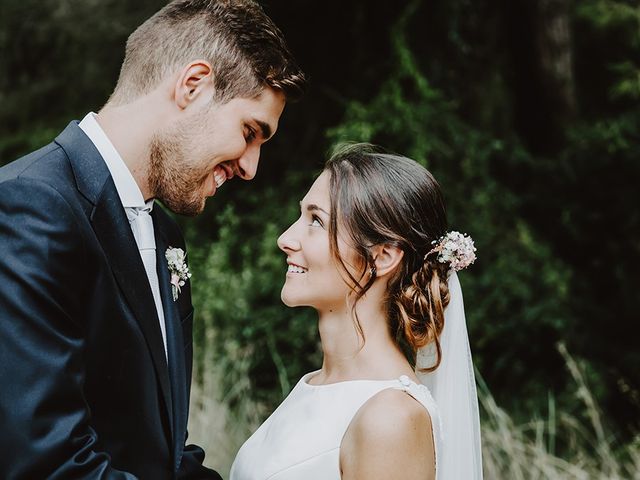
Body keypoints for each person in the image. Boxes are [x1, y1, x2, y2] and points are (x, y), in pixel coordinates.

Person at [0, 0, 305, 478]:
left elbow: (161, 449)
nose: (250, 167)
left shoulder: (165, 234)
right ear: (193, 85)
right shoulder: (28, 207)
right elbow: (47, 462)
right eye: (250, 132)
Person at [230, 144, 483, 480]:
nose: (286, 238)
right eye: (301, 216)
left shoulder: (391, 418)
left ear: (381, 257)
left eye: (316, 221)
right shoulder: (314, 386)